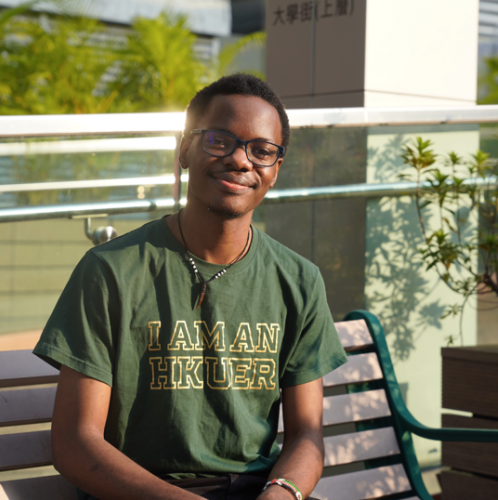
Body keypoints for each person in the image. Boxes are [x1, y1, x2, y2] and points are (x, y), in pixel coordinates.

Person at [33, 74, 348, 500]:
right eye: (219, 140)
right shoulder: (109, 272)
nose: (240, 160)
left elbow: (306, 436)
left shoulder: (299, 280)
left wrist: (281, 494)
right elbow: (74, 444)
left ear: (275, 171)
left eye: (261, 151)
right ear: (184, 149)